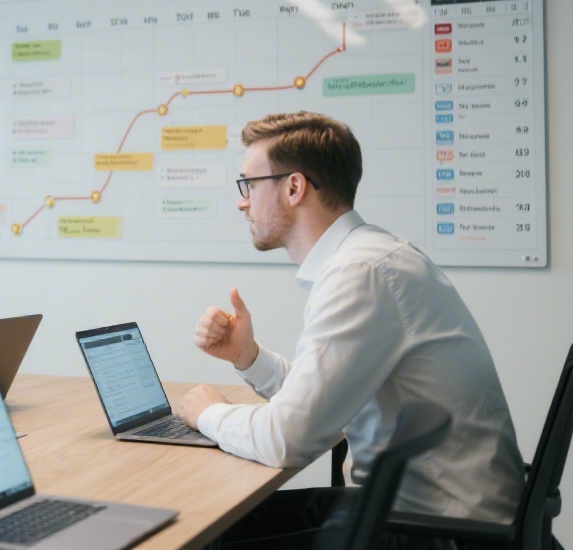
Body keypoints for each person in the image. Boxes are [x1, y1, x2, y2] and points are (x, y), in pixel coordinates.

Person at [176, 111, 524, 547]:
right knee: (218, 524)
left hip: (435, 531)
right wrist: (248, 356)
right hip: (427, 512)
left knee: (201, 533)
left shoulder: (361, 274)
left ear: (294, 187)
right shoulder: (373, 257)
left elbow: (286, 438)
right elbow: (324, 405)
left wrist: (206, 412)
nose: (241, 201)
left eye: (248, 184)